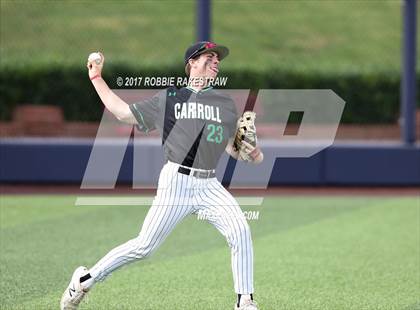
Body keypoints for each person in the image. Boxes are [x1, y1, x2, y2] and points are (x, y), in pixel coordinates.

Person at [60, 41, 263, 310]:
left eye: (218, 59)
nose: (216, 62)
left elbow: (237, 152)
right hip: (176, 182)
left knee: (240, 230)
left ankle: (245, 302)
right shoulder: (169, 98)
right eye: (210, 56)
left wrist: (250, 147)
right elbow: (123, 113)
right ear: (191, 62)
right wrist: (96, 78)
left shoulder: (224, 103)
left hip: (209, 184)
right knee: (144, 246)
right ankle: (84, 280)